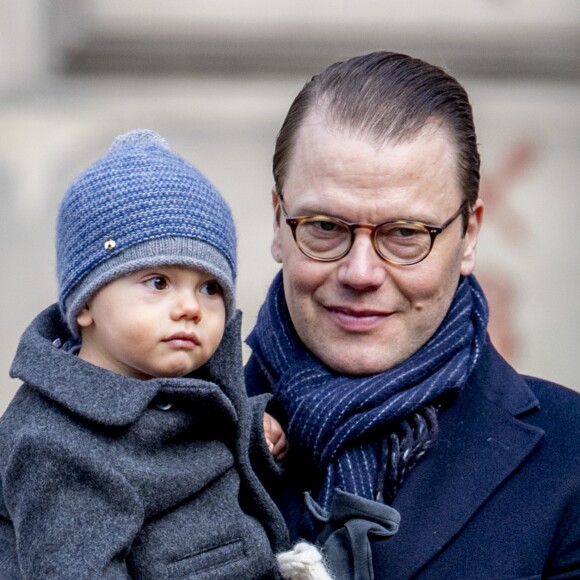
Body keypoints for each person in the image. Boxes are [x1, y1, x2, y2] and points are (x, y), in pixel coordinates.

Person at [245, 51, 580, 579]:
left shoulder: (570, 459)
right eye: (325, 226)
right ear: (279, 223)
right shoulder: (170, 437)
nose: (360, 273)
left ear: (468, 236)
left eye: (405, 234)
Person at [0, 129, 299, 578]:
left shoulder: (184, 386)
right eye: (158, 282)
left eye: (210, 287)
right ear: (85, 304)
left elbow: (188, 454)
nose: (190, 308)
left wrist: (253, 437)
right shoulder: (53, 443)